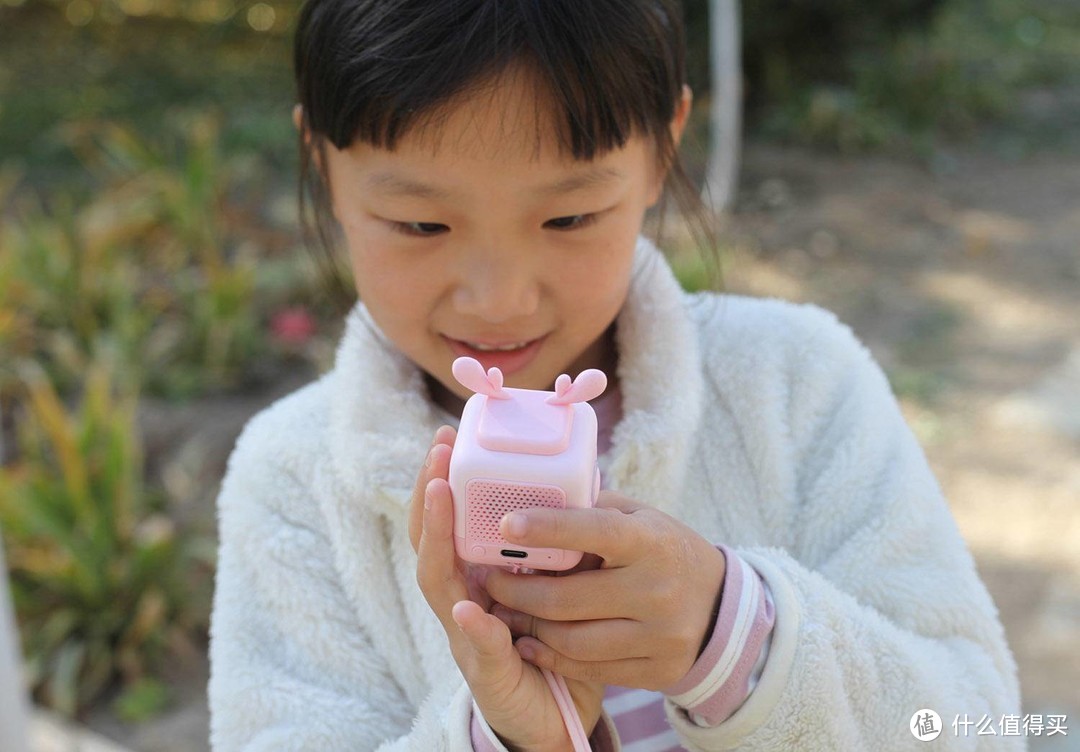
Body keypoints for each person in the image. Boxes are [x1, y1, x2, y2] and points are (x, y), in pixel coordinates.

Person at [208, 1, 1022, 749]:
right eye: (421, 223)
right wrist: (509, 737)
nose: (500, 299)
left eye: (568, 217)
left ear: (664, 147)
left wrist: (734, 639)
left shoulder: (798, 384)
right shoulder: (295, 484)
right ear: (321, 161)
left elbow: (981, 721)